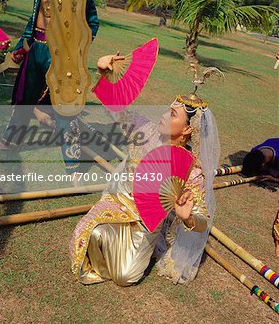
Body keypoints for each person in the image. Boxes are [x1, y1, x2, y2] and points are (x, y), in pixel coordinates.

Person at [70, 54, 220, 286]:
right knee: (94, 234)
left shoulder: (190, 169)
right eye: (166, 110)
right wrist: (104, 73)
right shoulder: (146, 132)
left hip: (146, 221)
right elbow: (117, 108)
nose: (162, 116)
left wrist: (188, 217)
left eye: (172, 114)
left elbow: (202, 219)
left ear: (188, 130)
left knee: (126, 277)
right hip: (118, 202)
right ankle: (102, 229)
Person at [0, 0, 99, 171]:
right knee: (25, 101)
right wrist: (21, 48)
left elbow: (92, 23)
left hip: (60, 57)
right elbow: (33, 20)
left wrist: (76, 51)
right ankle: (9, 144)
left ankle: (72, 165)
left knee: (64, 108)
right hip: (35, 49)